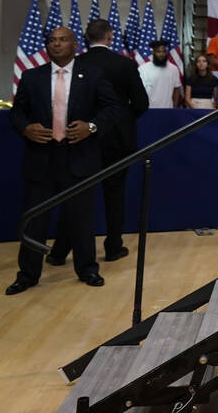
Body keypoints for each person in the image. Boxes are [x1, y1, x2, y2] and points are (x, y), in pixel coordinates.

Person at [6, 27, 120, 294]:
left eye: (62, 40)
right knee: (35, 220)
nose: (56, 44)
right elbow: (16, 114)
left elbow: (113, 108)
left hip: (79, 156)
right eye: (52, 40)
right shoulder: (31, 76)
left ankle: (87, 269)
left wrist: (91, 127)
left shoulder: (92, 75)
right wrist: (26, 128)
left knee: (81, 218)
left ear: (75, 44)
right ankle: (28, 275)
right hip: (41, 158)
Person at [48, 19, 148, 268]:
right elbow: (141, 103)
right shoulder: (124, 64)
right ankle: (113, 247)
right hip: (118, 141)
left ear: (84, 38)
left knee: (76, 195)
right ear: (110, 36)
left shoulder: (76, 64)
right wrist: (121, 121)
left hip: (81, 138)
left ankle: (59, 252)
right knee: (115, 194)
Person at [138, 39, 182, 109]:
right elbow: (139, 91)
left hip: (167, 109)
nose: (161, 54)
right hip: (148, 109)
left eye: (163, 51)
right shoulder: (143, 68)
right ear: (153, 53)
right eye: (158, 52)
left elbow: (177, 89)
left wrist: (175, 107)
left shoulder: (173, 69)